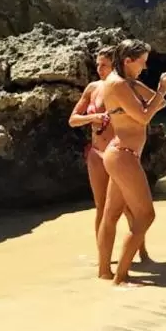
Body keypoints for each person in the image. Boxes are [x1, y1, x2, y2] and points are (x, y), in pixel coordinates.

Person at [96, 40, 166, 285]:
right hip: (123, 154)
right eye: (142, 61)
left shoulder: (126, 84)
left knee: (112, 214)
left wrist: (152, 90)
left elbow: (160, 104)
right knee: (146, 216)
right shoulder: (117, 84)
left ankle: (104, 272)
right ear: (128, 61)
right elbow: (142, 118)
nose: (145, 66)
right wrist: (161, 89)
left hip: (121, 154)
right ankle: (120, 277)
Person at [69, 45, 151, 264]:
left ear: (114, 64)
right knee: (102, 207)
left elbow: (144, 111)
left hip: (118, 151)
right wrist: (92, 118)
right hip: (97, 152)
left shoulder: (123, 87)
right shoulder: (93, 88)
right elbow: (73, 119)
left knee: (128, 207)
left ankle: (141, 252)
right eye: (97, 64)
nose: (99, 69)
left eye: (103, 64)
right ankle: (103, 260)